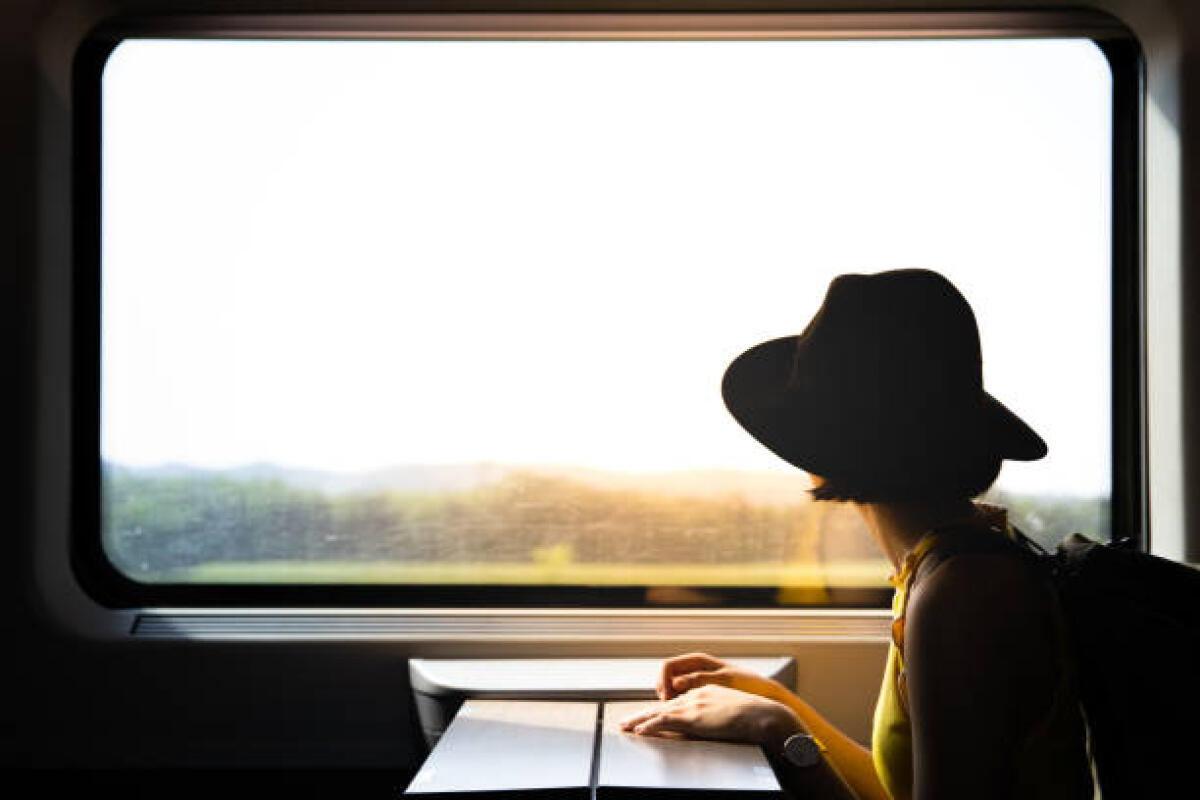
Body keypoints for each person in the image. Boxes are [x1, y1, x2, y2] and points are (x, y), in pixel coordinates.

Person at [618, 269, 1093, 800]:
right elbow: (899, 788)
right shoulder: (947, 565)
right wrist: (776, 702)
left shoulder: (962, 593)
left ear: (820, 451)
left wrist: (779, 731)